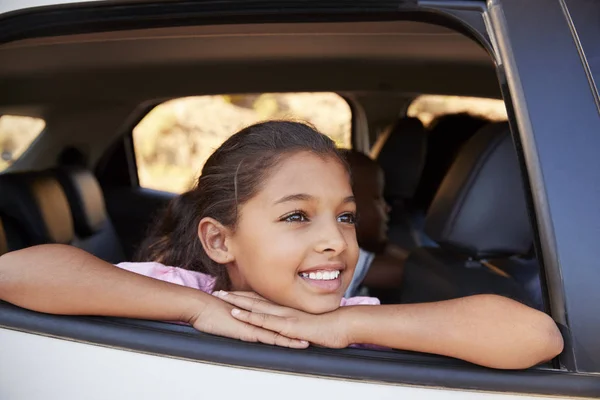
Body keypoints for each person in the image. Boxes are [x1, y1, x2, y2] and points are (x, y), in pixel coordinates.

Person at [0, 121, 563, 369]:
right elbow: (19, 273)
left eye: (346, 217)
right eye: (297, 215)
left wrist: (346, 327)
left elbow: (534, 336)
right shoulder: (182, 293)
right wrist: (199, 309)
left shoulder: (355, 319)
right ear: (220, 241)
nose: (335, 241)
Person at [341, 150, 408, 298]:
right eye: (378, 198)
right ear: (351, 209)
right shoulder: (343, 260)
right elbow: (413, 273)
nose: (387, 207)